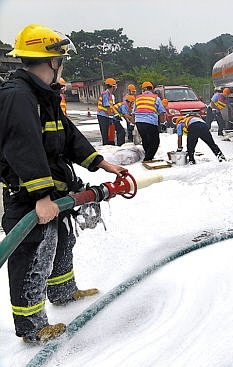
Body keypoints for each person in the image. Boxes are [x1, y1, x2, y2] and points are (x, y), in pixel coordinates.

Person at [0, 23, 127, 344]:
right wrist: (41, 196)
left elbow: (69, 136)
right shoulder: (18, 97)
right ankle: (31, 326)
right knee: (32, 254)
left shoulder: (44, 95)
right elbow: (21, 146)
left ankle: (62, 290)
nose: (63, 64)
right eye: (61, 59)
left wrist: (101, 163)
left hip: (56, 190)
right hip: (29, 195)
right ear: (52, 60)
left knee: (61, 240)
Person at [134, 81, 166, 161]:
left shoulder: (137, 98)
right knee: (155, 142)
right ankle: (148, 159)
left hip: (139, 122)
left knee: (145, 140)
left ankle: (148, 157)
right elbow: (162, 112)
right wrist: (163, 123)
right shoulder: (155, 98)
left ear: (143, 89)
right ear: (152, 89)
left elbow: (134, 112)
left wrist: (132, 123)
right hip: (150, 122)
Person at [97, 77, 117, 145]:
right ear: (112, 86)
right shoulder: (106, 94)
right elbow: (107, 107)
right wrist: (112, 117)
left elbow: (111, 108)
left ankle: (109, 145)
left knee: (109, 134)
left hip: (106, 116)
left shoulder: (110, 95)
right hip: (103, 116)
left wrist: (114, 115)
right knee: (105, 134)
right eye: (115, 86)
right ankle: (106, 148)